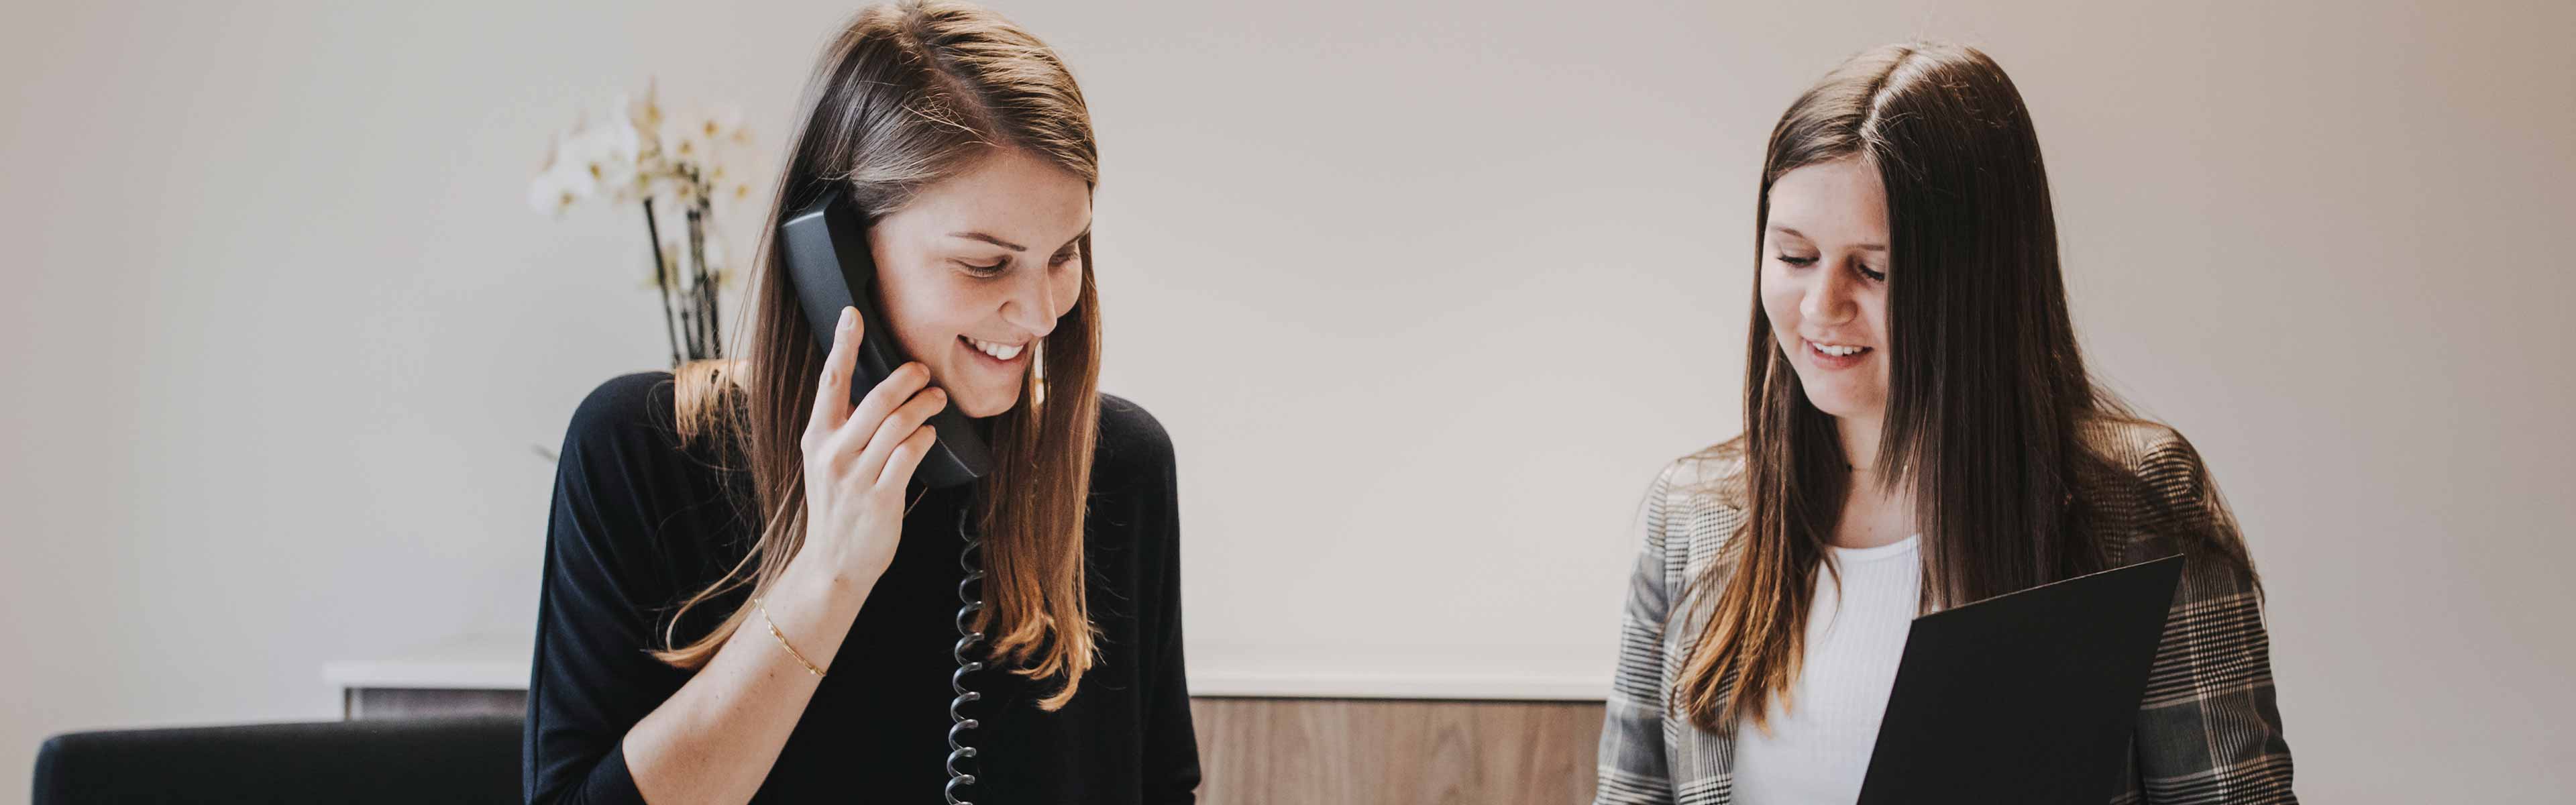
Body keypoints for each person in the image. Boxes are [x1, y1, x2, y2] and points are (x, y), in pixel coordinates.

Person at [523, 3, 1198, 802]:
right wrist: (828, 578)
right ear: (832, 250)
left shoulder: (1117, 465)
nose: (1043, 314)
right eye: (986, 266)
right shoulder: (641, 453)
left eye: (1063, 255)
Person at [1593, 42, 2294, 804]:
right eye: (1794, 256)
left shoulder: (2130, 503)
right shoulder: (1692, 513)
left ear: (1978, 282)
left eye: (1875, 270)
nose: (1822, 307)